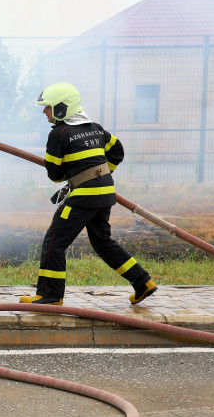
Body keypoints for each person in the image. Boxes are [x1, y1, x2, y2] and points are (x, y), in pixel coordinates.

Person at [19, 82, 157, 305]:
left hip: (83, 197)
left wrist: (78, 175)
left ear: (62, 108)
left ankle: (50, 295)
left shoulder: (59, 133)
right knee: (102, 241)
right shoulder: (96, 128)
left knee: (54, 242)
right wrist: (101, 173)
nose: (44, 111)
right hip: (105, 193)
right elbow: (117, 150)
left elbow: (54, 175)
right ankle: (143, 282)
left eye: (48, 107)